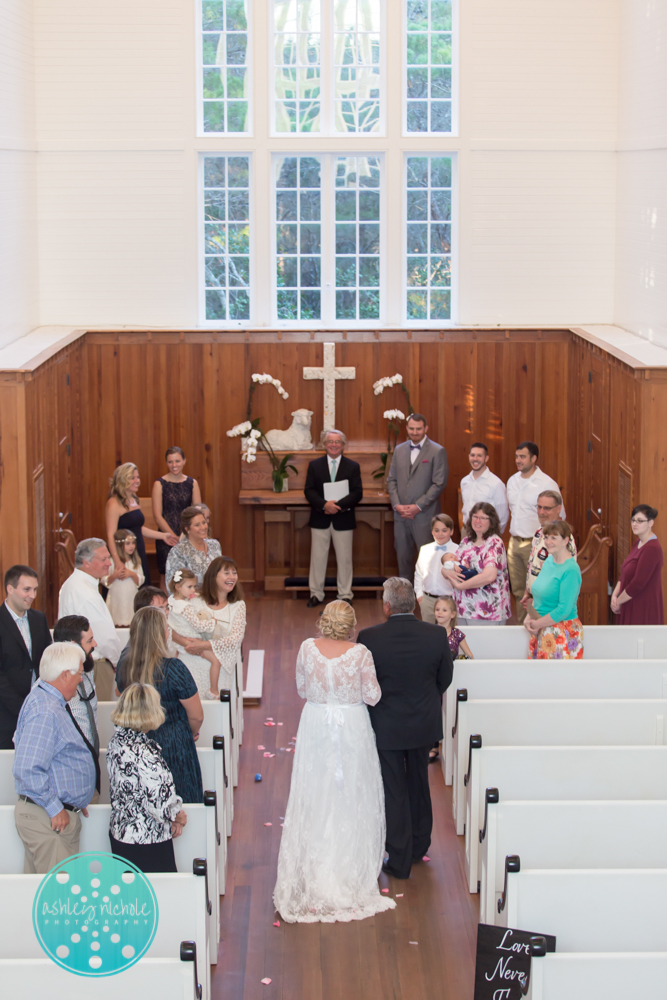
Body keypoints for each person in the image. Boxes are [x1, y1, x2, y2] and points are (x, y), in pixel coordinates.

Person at [273, 601, 396, 923]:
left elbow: (302, 689)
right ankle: (348, 868)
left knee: (316, 792)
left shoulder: (306, 648)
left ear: (324, 622)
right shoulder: (360, 654)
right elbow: (372, 696)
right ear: (351, 625)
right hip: (351, 726)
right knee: (352, 792)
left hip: (315, 722)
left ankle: (314, 866)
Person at [358, 578, 452, 880]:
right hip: (423, 722)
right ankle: (418, 847)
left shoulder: (370, 638)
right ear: (413, 603)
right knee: (419, 784)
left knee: (394, 787)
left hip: (386, 724)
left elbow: (365, 684)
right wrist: (424, 700)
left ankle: (398, 858)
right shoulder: (436, 634)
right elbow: (444, 679)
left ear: (387, 606)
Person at [13, 643, 95, 873]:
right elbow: (27, 767)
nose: (81, 680)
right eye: (79, 673)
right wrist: (56, 807)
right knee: (59, 900)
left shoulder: (45, 700)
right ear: (65, 675)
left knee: (45, 899)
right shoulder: (46, 709)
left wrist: (73, 800)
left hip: (49, 816)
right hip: (48, 819)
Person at [116, 606, 204, 802]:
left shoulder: (125, 667)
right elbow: (197, 715)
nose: (168, 630)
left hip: (136, 744)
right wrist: (189, 732)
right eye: (166, 627)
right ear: (159, 634)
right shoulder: (173, 668)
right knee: (181, 801)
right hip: (173, 744)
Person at [107, 683, 187, 872]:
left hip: (121, 832)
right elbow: (159, 804)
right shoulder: (144, 753)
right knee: (157, 897)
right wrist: (177, 815)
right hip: (146, 839)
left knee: (132, 898)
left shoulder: (117, 741)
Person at [303, 429, 363, 608]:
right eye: (330, 442)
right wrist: (324, 505)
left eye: (337, 442)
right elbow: (309, 490)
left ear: (343, 445)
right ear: (324, 444)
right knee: (317, 558)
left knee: (345, 559)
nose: (334, 445)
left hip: (343, 518)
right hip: (320, 517)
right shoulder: (315, 465)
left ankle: (345, 595)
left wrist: (338, 506)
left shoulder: (353, 466)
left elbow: (357, 492)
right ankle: (316, 594)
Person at [506, 442, 564, 623]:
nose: (518, 460)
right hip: (514, 543)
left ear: (533, 458)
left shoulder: (547, 483)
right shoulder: (512, 481)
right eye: (516, 456)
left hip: (538, 544)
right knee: (518, 591)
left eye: (522, 457)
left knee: (537, 591)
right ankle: (522, 628)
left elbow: (560, 516)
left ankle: (538, 628)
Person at [173, 557, 246, 700]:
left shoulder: (238, 605)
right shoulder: (193, 600)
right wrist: (190, 645)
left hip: (220, 673)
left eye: (234, 572)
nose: (232, 576)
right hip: (191, 665)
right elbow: (173, 630)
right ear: (213, 576)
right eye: (226, 572)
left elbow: (235, 640)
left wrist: (202, 645)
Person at [58, 539, 121, 701]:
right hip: (95, 665)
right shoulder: (85, 593)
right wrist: (118, 662)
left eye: (109, 558)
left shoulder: (73, 584)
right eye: (104, 559)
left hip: (81, 663)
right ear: (86, 562)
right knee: (99, 718)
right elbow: (104, 638)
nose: (109, 563)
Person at [387, 413, 448, 580]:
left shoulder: (437, 451)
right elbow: (391, 480)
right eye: (411, 428)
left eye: (418, 429)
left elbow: (439, 484)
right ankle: (405, 599)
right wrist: (397, 505)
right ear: (406, 428)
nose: (415, 432)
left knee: (427, 561)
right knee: (403, 559)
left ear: (426, 428)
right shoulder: (399, 450)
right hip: (401, 516)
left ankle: (428, 599)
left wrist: (418, 506)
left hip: (424, 516)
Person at [0, 565, 52, 750]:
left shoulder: (39, 619)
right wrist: (22, 707)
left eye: (35, 589)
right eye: (27, 589)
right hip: (6, 714)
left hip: (38, 709)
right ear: (10, 589)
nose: (32, 595)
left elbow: (47, 661)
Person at [105, 462, 179, 587]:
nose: (137, 481)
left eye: (137, 477)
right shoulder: (113, 503)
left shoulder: (134, 498)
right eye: (132, 478)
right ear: (123, 480)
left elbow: (138, 528)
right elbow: (110, 535)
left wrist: (163, 536)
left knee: (142, 588)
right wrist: (117, 561)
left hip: (138, 550)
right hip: (123, 553)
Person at [53, 615, 101, 802]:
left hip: (90, 769)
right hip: (67, 782)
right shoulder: (52, 683)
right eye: (89, 640)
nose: (94, 644)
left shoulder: (88, 670)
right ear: (73, 644)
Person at [441, 502, 511, 625]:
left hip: (486, 610)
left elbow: (489, 576)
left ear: (491, 521)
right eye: (475, 517)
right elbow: (452, 564)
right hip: (462, 608)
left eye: (483, 518)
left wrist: (461, 586)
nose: (478, 521)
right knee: (464, 644)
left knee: (483, 644)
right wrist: (445, 571)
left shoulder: (494, 543)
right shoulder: (466, 541)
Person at [525, 521, 583, 659]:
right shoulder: (549, 561)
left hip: (560, 630)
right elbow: (539, 596)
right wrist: (529, 617)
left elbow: (564, 609)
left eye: (553, 538)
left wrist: (537, 623)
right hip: (543, 626)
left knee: (556, 679)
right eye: (546, 537)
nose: (548, 542)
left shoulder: (571, 570)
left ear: (566, 540)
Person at [152, 447, 202, 591]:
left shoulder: (192, 483)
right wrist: (172, 537)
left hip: (187, 535)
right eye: (170, 462)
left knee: (188, 573)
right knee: (166, 574)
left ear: (184, 461)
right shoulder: (159, 484)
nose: (174, 465)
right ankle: (166, 609)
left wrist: (185, 536)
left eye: (177, 461)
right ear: (166, 463)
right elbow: (157, 515)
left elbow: (198, 512)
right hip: (166, 536)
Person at [167, 567, 221, 699]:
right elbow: (197, 626)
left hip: (178, 640)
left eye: (194, 586)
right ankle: (213, 691)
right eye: (189, 587)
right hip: (192, 640)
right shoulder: (186, 607)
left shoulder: (172, 600)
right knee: (216, 661)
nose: (193, 590)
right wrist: (212, 623)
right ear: (178, 586)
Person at [522, 490, 577, 612]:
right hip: (536, 601)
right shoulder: (539, 531)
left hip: (550, 607)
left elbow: (561, 580)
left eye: (547, 508)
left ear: (558, 508)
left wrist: (538, 600)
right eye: (539, 507)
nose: (541, 512)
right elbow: (533, 565)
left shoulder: (563, 539)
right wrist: (528, 592)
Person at [612, 504, 664, 625]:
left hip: (643, 607)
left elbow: (638, 583)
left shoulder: (652, 548)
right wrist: (614, 596)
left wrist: (618, 601)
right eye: (633, 520)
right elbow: (625, 573)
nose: (635, 524)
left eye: (640, 521)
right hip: (628, 601)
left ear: (651, 523)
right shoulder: (638, 542)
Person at [414, 514, 459, 624]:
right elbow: (419, 573)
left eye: (444, 530)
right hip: (428, 600)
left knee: (448, 633)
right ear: (432, 531)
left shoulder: (458, 550)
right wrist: (419, 594)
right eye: (436, 530)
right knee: (428, 633)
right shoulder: (425, 549)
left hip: (449, 600)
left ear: (451, 531)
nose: (440, 534)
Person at [116, 586, 169, 676]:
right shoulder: (132, 653)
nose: (166, 612)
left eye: (167, 607)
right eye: (160, 608)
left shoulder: (167, 632)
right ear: (144, 612)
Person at [165, 506, 223, 588]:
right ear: (187, 529)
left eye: (204, 522)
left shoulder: (215, 545)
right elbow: (173, 586)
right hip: (191, 598)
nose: (203, 527)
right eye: (197, 525)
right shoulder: (178, 551)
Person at [460, 442, 509, 533]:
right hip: (466, 531)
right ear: (469, 456)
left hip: (486, 534)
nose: (475, 459)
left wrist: (494, 535)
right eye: (472, 455)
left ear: (486, 458)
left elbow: (503, 515)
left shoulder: (496, 483)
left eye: (479, 455)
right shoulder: (464, 481)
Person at [102, 529, 144, 626]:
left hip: (131, 597)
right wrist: (114, 576)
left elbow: (140, 581)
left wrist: (132, 574)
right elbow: (104, 581)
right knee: (116, 619)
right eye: (128, 543)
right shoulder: (112, 562)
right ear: (119, 545)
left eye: (133, 543)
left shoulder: (135, 562)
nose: (131, 546)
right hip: (116, 598)